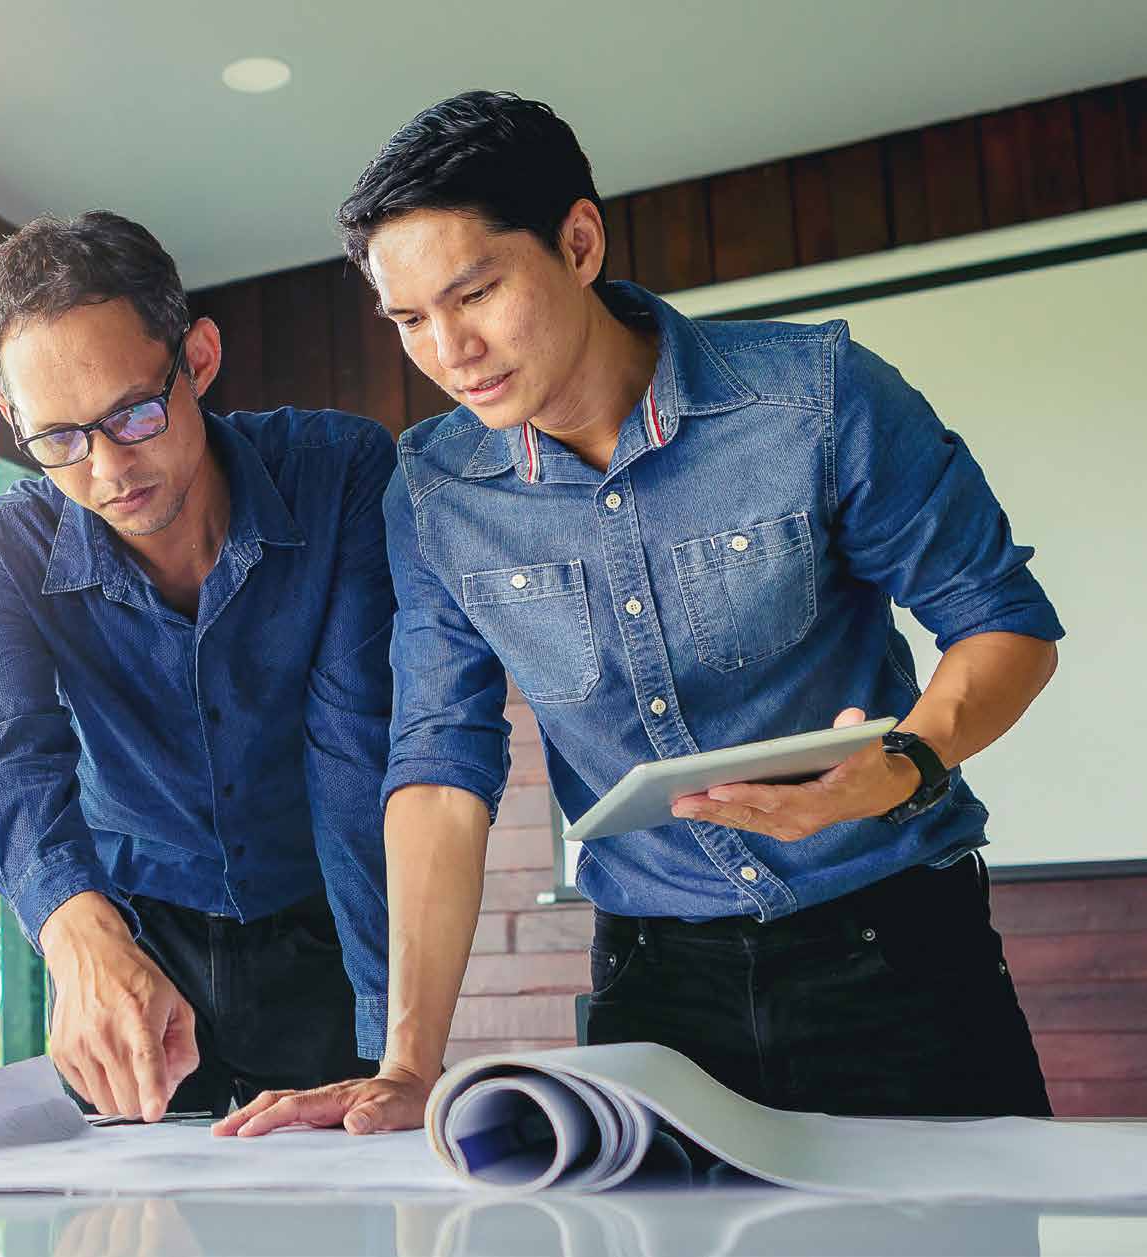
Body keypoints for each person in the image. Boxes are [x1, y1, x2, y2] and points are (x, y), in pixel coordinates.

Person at [219, 91, 1060, 1137]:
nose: (449, 351)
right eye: (408, 321)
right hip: (655, 989)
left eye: (473, 294)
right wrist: (407, 1063)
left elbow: (1002, 620)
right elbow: (438, 764)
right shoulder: (435, 491)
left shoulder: (817, 399)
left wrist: (903, 763)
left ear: (576, 242)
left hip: (894, 949)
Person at [0, 211, 394, 1122]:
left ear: (197, 356)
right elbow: (10, 762)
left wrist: (394, 1035)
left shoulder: (340, 471)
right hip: (130, 945)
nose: (108, 467)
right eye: (59, 438)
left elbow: (354, 755)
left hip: (323, 926)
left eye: (132, 413)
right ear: (12, 420)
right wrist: (77, 934)